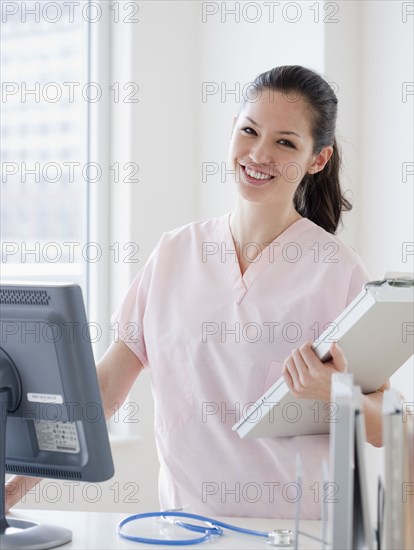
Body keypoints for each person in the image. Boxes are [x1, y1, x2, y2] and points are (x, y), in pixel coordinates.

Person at [6, 65, 389, 519]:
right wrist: (13, 489)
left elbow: (388, 425)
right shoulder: (173, 253)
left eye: (285, 142)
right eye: (250, 131)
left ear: (317, 159)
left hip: (299, 535)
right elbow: (105, 389)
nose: (260, 154)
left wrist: (335, 394)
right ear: (232, 130)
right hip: (185, 529)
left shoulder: (338, 269)